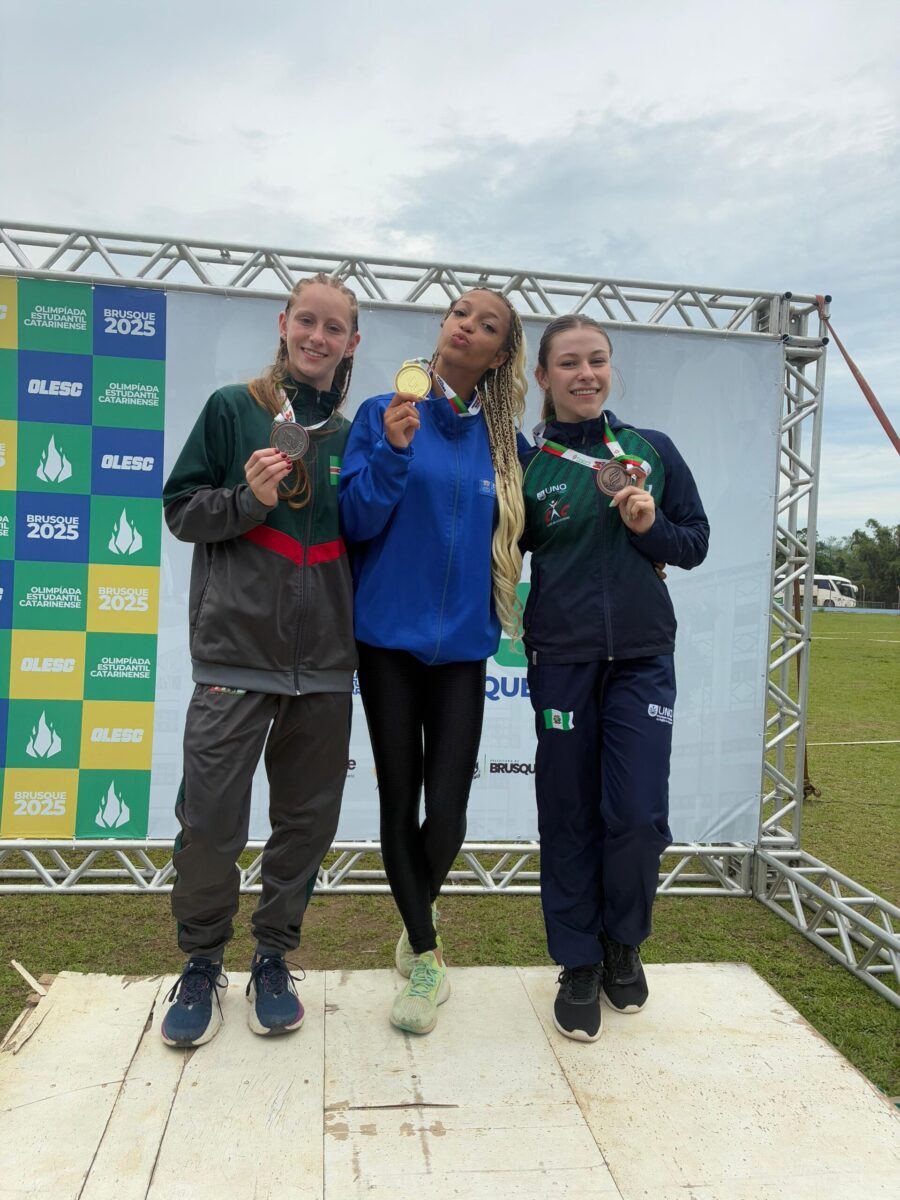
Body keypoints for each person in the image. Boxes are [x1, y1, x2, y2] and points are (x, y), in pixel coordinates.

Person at [159, 273, 360, 1047]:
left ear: (351, 342)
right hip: (234, 659)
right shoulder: (231, 408)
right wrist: (246, 500)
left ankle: (273, 957)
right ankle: (202, 963)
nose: (317, 336)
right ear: (283, 323)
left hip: (326, 669)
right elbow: (181, 511)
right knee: (209, 824)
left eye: (333, 327)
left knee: (304, 826)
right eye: (306, 320)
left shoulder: (351, 436)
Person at [339, 289, 527, 1035]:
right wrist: (392, 450)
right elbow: (353, 516)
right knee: (398, 799)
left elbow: (542, 523)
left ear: (500, 353)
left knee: (446, 811)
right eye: (460, 313)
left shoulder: (507, 443)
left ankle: (417, 909)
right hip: (385, 638)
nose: (467, 326)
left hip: (465, 647)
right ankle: (425, 954)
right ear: (442, 329)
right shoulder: (386, 411)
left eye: (487, 325)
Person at [520, 314, 709, 1042]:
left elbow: (692, 543)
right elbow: (503, 545)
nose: (585, 374)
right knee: (567, 813)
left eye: (596, 360)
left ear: (610, 368)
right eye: (568, 363)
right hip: (562, 660)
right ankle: (577, 961)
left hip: (640, 659)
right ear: (544, 377)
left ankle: (622, 944)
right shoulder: (530, 464)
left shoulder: (651, 451)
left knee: (633, 815)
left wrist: (648, 528)